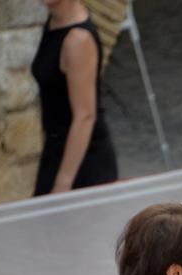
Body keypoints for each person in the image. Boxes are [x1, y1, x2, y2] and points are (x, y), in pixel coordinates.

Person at [31, 0, 117, 196]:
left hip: (83, 163)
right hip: (56, 152)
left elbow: (85, 116)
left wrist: (62, 184)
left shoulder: (78, 39)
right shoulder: (55, 23)